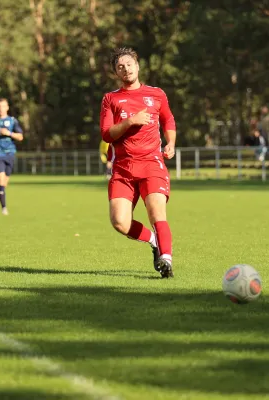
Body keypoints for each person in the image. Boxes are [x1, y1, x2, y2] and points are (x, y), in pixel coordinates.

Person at [100, 47, 177, 278]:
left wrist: (170, 142)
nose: (126, 69)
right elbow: (106, 134)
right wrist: (130, 122)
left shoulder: (157, 94)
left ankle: (166, 259)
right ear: (116, 73)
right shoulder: (110, 99)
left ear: (137, 65)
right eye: (120, 67)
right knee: (119, 222)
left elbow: (168, 119)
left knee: (157, 214)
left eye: (129, 64)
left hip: (152, 164)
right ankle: (154, 242)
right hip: (123, 168)